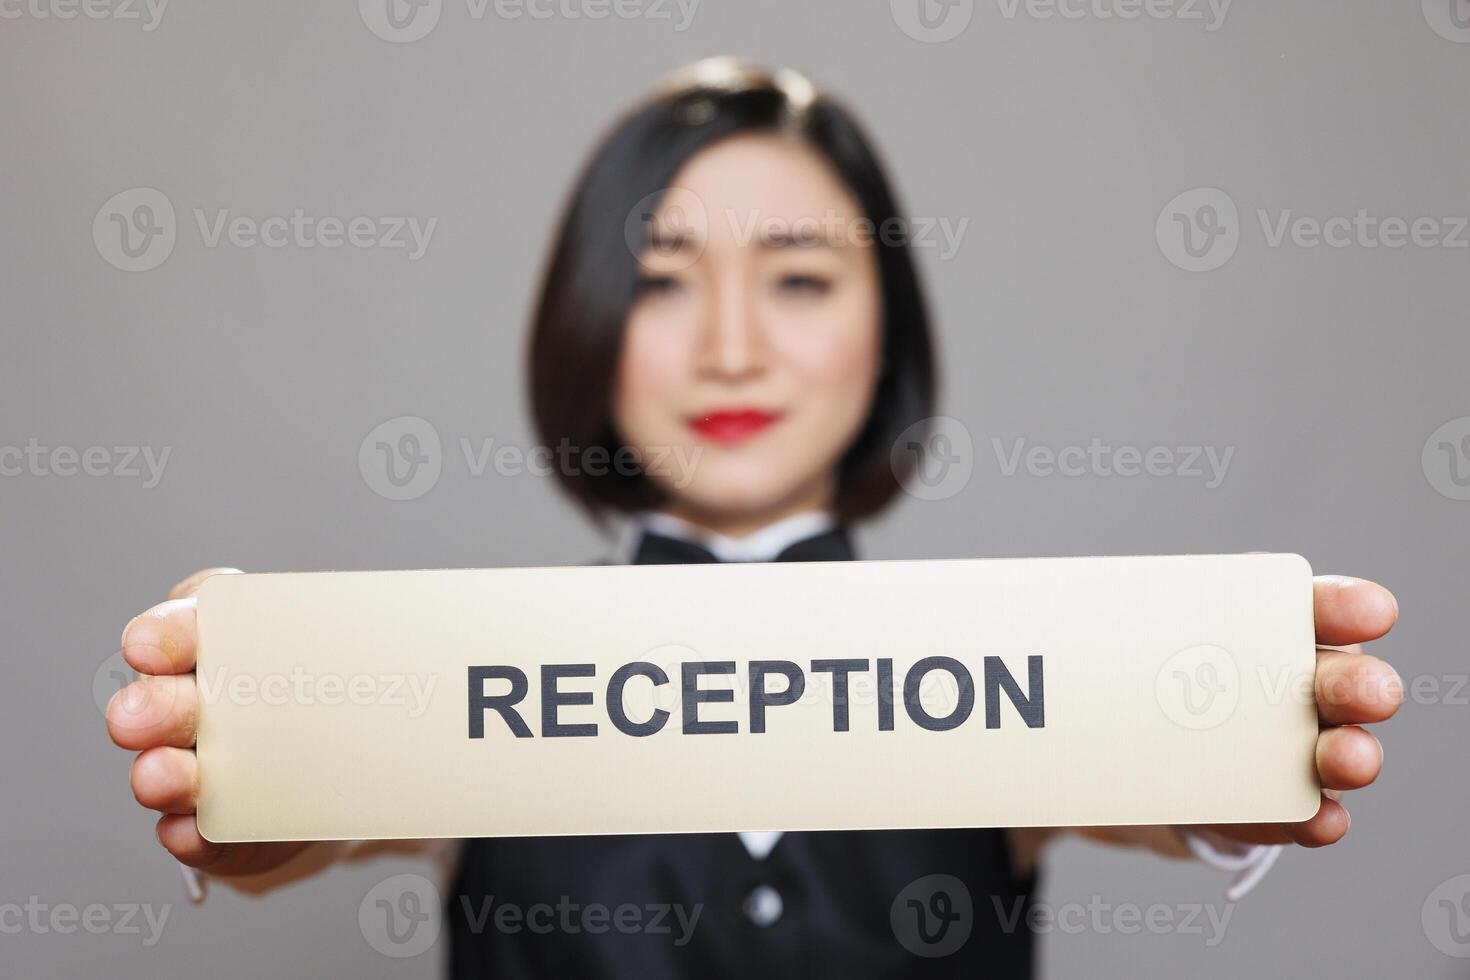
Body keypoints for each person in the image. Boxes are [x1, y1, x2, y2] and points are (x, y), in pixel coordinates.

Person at [105, 57, 1403, 978]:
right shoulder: (466, 667)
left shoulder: (1010, 657)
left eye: (795, 278)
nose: (731, 348)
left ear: (883, 325)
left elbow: (1167, 785)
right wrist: (244, 728)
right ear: (589, 329)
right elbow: (295, 822)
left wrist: (1254, 755)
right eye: (664, 283)